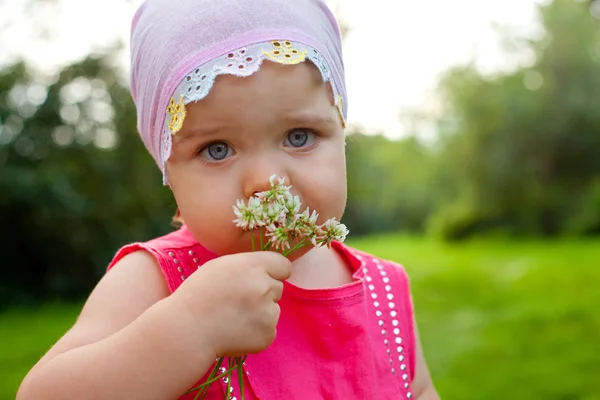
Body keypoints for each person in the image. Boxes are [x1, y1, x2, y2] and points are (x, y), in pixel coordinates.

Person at [17, 0, 439, 398]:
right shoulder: (156, 280)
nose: (266, 181)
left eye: (299, 137)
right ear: (169, 171)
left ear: (341, 131)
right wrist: (187, 330)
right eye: (217, 149)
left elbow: (418, 391)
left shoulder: (386, 290)